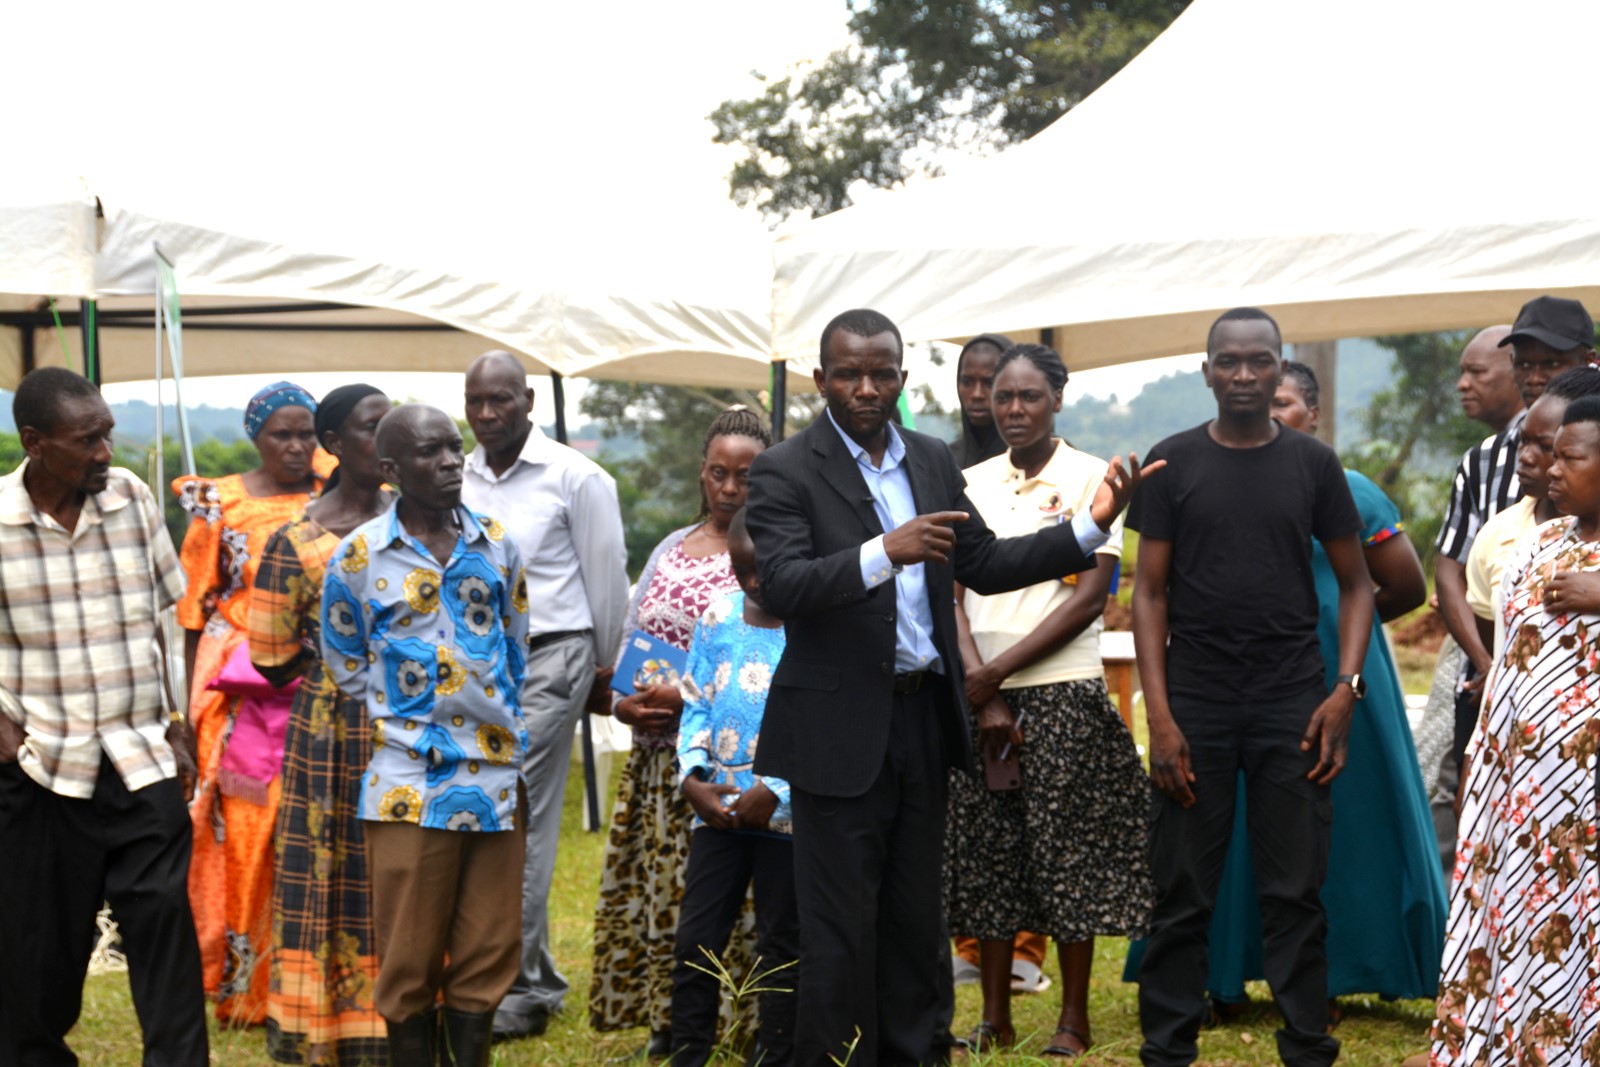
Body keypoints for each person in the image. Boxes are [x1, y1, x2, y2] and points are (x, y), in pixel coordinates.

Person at [744, 307, 1156, 1067]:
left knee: (914, 922)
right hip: (837, 733)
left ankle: (916, 1054)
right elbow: (783, 584)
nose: (866, 388)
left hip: (923, 723)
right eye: (848, 373)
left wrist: (1088, 527)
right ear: (820, 379)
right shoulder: (786, 469)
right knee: (838, 928)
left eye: (881, 373)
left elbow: (988, 562)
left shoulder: (930, 461)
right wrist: (882, 552)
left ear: (902, 377)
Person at [1151, 361, 1443, 1016]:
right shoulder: (1200, 474)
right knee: (1225, 826)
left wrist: (1344, 645)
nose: (1274, 411)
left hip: (1337, 678)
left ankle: (1332, 976)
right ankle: (1224, 971)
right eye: (1268, 401)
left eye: (1286, 402)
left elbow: (1406, 586)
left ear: (1313, 414)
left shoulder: (1350, 487)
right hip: (1230, 679)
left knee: (1340, 832)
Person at [1129, 308, 1374, 1067]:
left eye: (1259, 361)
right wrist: (1161, 718)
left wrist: (1346, 688)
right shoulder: (1171, 465)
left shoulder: (1312, 465)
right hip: (1195, 702)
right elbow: (1148, 594)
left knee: (1295, 890)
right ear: (1206, 371)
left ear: (1278, 368)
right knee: (1182, 893)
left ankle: (1307, 1045)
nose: (1243, 375)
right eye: (1228, 362)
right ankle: (1168, 1049)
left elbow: (1359, 584)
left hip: (1292, 702)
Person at [944, 343, 1153, 1056]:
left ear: (1057, 398)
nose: (1013, 409)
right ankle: (994, 1016)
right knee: (989, 857)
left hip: (1061, 691)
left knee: (1070, 856)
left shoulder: (1094, 477)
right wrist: (979, 685)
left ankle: (1073, 1018)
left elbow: (1091, 593)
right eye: (1002, 396)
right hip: (982, 698)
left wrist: (994, 671)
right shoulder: (965, 481)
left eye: (1029, 396)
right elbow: (950, 595)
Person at [0, 367, 208, 1066]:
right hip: (42, 767)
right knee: (38, 960)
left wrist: (178, 717)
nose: (104, 452)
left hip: (140, 755)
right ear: (34, 441)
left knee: (165, 933)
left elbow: (163, 614)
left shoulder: (132, 498)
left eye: (107, 433)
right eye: (86, 440)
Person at [322, 404, 529, 1067]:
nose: (449, 462)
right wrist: (410, 715)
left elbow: (515, 649)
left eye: (453, 447)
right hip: (408, 782)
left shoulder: (497, 544)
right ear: (389, 469)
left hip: (493, 779)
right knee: (409, 958)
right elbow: (345, 659)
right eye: (429, 451)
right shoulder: (358, 556)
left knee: (487, 949)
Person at [590, 406, 772, 1056]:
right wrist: (626, 702)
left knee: (743, 905)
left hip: (731, 762)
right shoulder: (673, 544)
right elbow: (637, 635)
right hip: (658, 755)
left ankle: (746, 1023)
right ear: (702, 472)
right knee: (667, 898)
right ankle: (673, 1019)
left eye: (745, 475)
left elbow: (750, 659)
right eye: (718, 473)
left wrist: (682, 692)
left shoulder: (767, 553)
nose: (729, 488)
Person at [459, 351, 629, 1042]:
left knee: (516, 814)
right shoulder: (455, 472)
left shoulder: (576, 476)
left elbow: (606, 578)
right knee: (487, 812)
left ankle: (514, 986)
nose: (488, 413)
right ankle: (533, 974)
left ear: (529, 399)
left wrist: (604, 672)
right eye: (476, 401)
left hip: (552, 657)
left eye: (501, 399)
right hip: (473, 667)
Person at [1430, 394, 1600, 1066]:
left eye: (1571, 457)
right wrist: (1486, 761)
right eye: (1550, 455)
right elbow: (1510, 662)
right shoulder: (1536, 544)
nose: (1550, 470)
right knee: (1528, 912)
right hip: (1529, 785)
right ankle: (1518, 1043)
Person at [176, 379, 335, 1023]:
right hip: (241, 692)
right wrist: (187, 711)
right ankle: (246, 986)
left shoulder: (342, 492)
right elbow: (193, 608)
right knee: (246, 831)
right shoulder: (221, 505)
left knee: (315, 827)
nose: (296, 447)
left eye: (306, 433)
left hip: (321, 680)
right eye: (281, 434)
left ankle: (319, 977)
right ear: (256, 437)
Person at [250, 384, 394, 1065]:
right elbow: (268, 657)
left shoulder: (422, 523)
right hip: (331, 735)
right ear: (333, 444)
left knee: (403, 870)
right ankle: (330, 1026)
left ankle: (407, 1017)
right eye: (373, 428)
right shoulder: (297, 541)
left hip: (415, 732)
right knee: (331, 866)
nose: (389, 440)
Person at [670, 507, 797, 1067]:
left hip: (783, 818)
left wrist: (777, 788)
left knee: (781, 947)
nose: (753, 582)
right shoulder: (718, 616)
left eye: (765, 570)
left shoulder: (812, 627)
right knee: (696, 941)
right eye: (742, 569)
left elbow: (824, 725)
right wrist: (693, 776)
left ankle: (776, 1054)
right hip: (716, 813)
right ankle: (688, 1053)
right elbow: (695, 701)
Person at [1413, 325, 1517, 874]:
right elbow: (1448, 567)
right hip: (1471, 648)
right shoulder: (1480, 462)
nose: (1461, 385)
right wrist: (1481, 657)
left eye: (1477, 372)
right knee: (1444, 774)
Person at [1466, 366, 1600, 661]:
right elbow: (1501, 638)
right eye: (1524, 441)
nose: (1527, 457)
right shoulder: (1532, 543)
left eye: (1549, 448)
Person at [948, 333, 1012, 469]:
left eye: (989, 382)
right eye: (967, 382)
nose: (977, 394)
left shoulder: (1040, 458)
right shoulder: (946, 461)